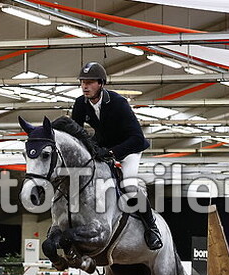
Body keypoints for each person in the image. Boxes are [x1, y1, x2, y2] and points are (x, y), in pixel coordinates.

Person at [69, 61, 162, 250]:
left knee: (129, 185)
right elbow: (75, 135)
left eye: (90, 82)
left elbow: (137, 137)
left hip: (129, 148)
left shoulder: (118, 103)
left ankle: (151, 228)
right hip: (104, 145)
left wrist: (112, 153)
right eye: (82, 82)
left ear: (101, 84)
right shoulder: (80, 103)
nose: (85, 86)